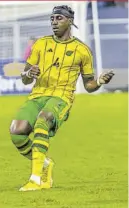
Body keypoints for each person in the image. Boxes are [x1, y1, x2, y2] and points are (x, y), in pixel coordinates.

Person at [9, 5, 115, 192]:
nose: (54, 22)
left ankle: (35, 179)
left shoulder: (82, 50)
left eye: (59, 18)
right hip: (37, 95)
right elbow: (25, 78)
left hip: (62, 97)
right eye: (52, 19)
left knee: (43, 120)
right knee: (17, 131)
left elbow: (89, 85)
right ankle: (44, 164)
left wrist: (99, 81)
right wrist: (29, 72)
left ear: (70, 21)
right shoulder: (40, 44)